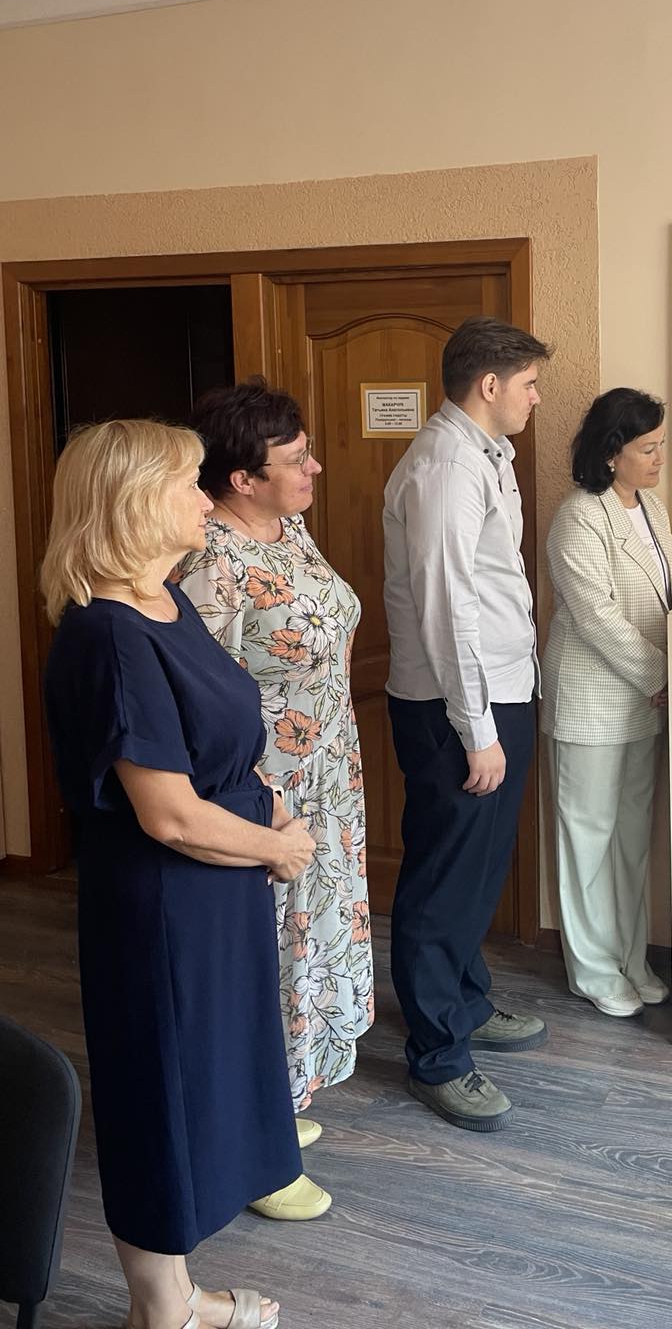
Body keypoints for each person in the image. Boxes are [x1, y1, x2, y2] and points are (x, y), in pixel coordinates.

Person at [41, 419, 315, 1329]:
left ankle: (173, 1299)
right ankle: (166, 1308)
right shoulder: (108, 634)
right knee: (161, 1092)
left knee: (206, 1079)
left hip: (214, 896)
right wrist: (276, 847)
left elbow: (213, 743)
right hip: (162, 908)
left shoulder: (165, 602)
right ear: (131, 501)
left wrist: (268, 803)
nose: (206, 499)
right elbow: (168, 813)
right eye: (189, 483)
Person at [176, 379, 372, 1221]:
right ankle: (255, 1150)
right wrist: (262, 801)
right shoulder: (210, 561)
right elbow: (201, 705)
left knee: (310, 950)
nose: (314, 467)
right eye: (296, 459)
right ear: (241, 479)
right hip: (266, 796)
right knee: (270, 959)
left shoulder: (287, 527)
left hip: (329, 779)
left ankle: (281, 1102)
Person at [382, 317, 551, 1131]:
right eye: (529, 383)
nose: (536, 397)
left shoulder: (486, 455)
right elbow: (446, 605)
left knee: (478, 870)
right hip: (457, 710)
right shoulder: (446, 466)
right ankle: (438, 1054)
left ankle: (466, 1002)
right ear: (490, 385)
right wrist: (476, 728)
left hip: (498, 694)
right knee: (444, 878)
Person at [541, 389, 672, 1017]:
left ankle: (632, 958)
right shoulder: (578, 515)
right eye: (647, 448)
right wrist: (660, 674)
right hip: (593, 700)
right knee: (589, 839)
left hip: (647, 701)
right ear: (611, 452)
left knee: (630, 839)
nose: (659, 459)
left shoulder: (653, 509)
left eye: (659, 446)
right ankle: (595, 970)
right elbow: (595, 615)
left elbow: (670, 596)